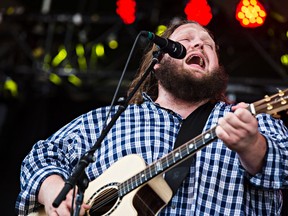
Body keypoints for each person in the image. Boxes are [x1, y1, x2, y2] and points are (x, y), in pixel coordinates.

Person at [15, 18, 288, 216]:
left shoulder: (251, 121)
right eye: (186, 41)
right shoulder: (107, 120)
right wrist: (54, 191)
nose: (199, 46)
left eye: (209, 46)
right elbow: (41, 155)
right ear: (157, 63)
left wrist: (253, 147)